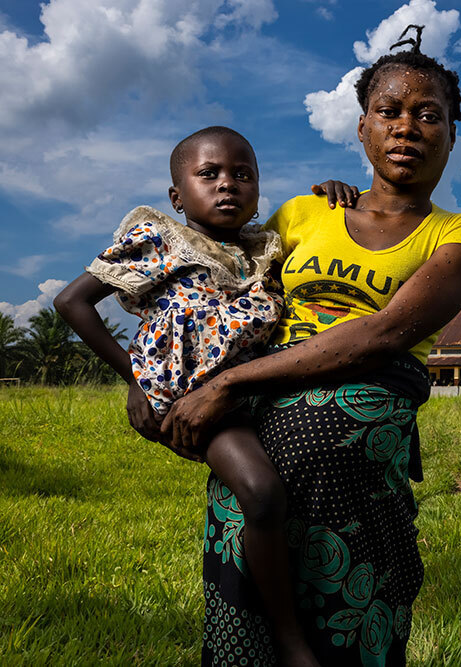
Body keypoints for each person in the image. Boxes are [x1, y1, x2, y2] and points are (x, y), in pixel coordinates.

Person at [161, 29, 461, 665]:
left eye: (430, 115)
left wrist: (228, 385)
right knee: (249, 525)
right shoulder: (300, 213)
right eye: (389, 111)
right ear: (363, 128)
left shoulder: (460, 233)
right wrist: (149, 375)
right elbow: (206, 287)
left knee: (327, 474)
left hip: (365, 395)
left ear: (452, 135)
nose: (407, 128)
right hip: (265, 392)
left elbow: (386, 333)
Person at [53, 126, 323, 667]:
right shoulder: (161, 240)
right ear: (178, 197)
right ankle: (290, 641)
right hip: (192, 398)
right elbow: (71, 302)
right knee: (262, 494)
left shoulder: (263, 250)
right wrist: (135, 378)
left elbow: (324, 227)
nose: (228, 185)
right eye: (210, 175)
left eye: (243, 175)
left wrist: (335, 191)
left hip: (252, 390)